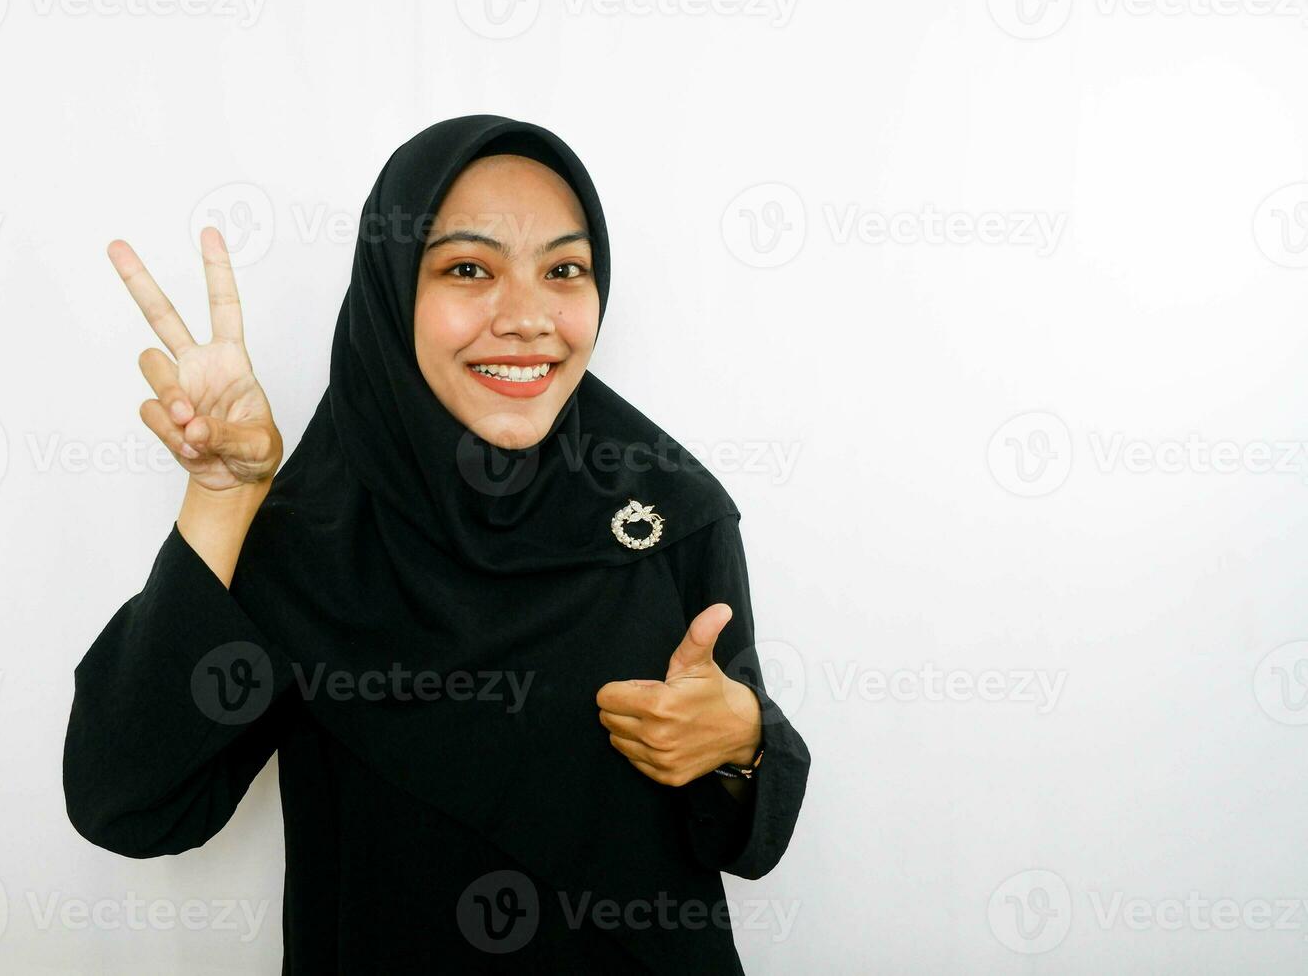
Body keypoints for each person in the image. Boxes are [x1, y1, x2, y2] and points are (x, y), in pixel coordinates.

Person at [62, 114, 809, 974]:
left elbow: (749, 838)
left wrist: (744, 743)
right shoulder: (310, 541)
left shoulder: (666, 514)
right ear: (390, 292)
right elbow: (127, 800)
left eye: (564, 270)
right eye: (468, 268)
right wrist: (223, 502)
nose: (529, 318)